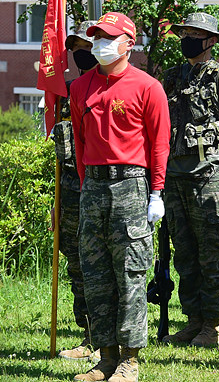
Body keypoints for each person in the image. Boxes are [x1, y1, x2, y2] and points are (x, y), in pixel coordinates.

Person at [70, 12, 170, 382]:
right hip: (94, 187)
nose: (99, 45)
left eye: (108, 38)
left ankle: (130, 358)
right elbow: (80, 144)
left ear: (129, 42)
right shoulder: (80, 88)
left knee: (130, 272)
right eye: (96, 38)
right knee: (95, 273)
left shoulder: (147, 87)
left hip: (132, 184)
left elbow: (159, 144)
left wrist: (156, 192)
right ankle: (106, 355)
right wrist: (86, 185)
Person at [162, 12, 219, 348]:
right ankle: (193, 319)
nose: (188, 39)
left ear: (212, 40)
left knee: (211, 253)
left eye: (196, 34)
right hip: (175, 180)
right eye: (185, 33)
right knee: (184, 253)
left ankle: (212, 325)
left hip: (208, 180)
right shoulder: (172, 78)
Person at [53, 21, 97, 361]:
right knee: (75, 264)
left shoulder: (105, 89)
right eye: (76, 48)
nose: (81, 53)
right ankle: (88, 334)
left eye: (87, 46)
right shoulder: (63, 91)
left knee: (100, 264)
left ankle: (108, 337)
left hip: (100, 188)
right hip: (69, 190)